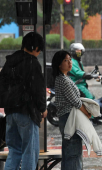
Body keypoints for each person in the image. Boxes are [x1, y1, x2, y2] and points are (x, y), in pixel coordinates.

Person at [1, 32, 47, 170]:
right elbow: (38, 89)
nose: (38, 53)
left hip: (10, 112)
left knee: (14, 151)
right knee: (29, 152)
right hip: (26, 112)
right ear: (36, 48)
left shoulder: (9, 62)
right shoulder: (32, 63)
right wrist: (42, 108)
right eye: (39, 50)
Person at [52, 50, 91, 170]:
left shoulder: (64, 78)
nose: (69, 62)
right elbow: (76, 102)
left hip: (68, 118)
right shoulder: (63, 80)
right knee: (73, 153)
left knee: (70, 153)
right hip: (70, 119)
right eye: (65, 60)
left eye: (70, 59)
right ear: (59, 64)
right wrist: (88, 114)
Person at [69, 43, 102, 125]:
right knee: (89, 99)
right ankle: (90, 119)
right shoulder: (72, 62)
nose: (80, 53)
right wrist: (89, 75)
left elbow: (82, 72)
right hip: (76, 85)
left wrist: (91, 74)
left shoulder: (78, 61)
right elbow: (78, 73)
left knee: (92, 97)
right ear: (73, 52)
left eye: (81, 51)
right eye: (78, 51)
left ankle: (95, 117)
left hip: (81, 84)